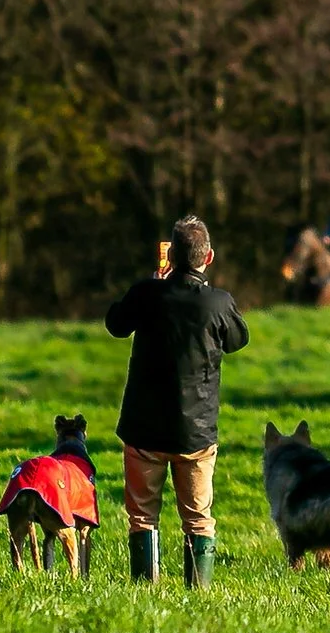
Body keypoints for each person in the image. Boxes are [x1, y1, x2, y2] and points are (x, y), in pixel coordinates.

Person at [105, 214, 249, 588]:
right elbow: (238, 340)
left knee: (142, 516)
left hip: (143, 428)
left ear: (170, 258)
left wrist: (154, 284)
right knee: (198, 516)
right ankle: (197, 590)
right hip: (196, 434)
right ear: (209, 257)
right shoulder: (218, 303)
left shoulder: (146, 294)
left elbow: (116, 324)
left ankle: (144, 586)